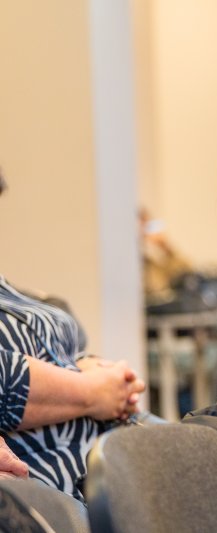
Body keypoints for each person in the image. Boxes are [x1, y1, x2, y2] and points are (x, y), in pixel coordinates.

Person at [0, 172, 145, 500]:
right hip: (55, 491)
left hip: (106, 458)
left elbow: (69, 337)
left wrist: (91, 368)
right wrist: (96, 392)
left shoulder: (16, 293)